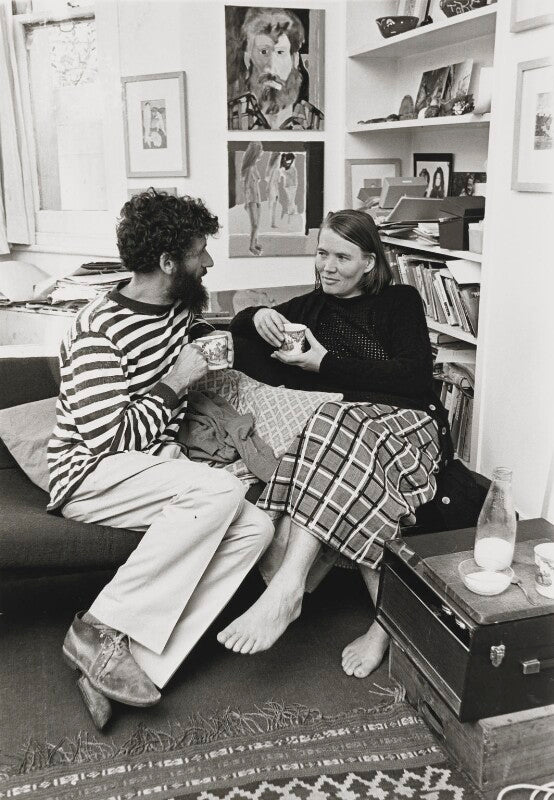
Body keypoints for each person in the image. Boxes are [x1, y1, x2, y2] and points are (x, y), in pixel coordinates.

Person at [50, 189, 273, 728]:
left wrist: (262, 321)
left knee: (257, 529)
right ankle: (96, 628)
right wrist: (175, 383)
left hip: (153, 469)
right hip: (90, 475)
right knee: (221, 488)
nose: (209, 261)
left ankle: (125, 665)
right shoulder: (97, 330)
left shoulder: (177, 309)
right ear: (169, 262)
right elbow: (108, 441)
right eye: (199, 252)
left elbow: (204, 334)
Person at [218, 209, 453, 679]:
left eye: (342, 257)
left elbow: (414, 378)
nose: (327, 266)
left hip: (413, 423)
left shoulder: (400, 301)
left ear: (369, 262)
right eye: (322, 253)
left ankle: (288, 589)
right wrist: (258, 314)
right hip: (350, 434)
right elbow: (237, 327)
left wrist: (324, 365)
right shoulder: (311, 307)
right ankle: (381, 622)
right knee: (337, 429)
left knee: (333, 422)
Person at [228, 7, 323, 130]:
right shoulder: (227, 118)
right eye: (263, 51)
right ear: (248, 59)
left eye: (280, 52)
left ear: (295, 60)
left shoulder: (317, 123)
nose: (272, 68)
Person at [241, 141, 264, 255]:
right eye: (260, 150)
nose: (262, 152)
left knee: (257, 223)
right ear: (255, 153)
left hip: (257, 198)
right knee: (254, 224)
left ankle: (255, 243)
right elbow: (246, 187)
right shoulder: (249, 169)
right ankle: (251, 246)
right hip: (252, 200)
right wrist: (246, 202)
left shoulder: (254, 166)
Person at [280, 152, 298, 224]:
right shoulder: (289, 167)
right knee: (290, 199)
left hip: (291, 185)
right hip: (289, 186)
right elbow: (290, 177)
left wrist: (285, 172)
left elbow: (292, 177)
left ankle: (291, 212)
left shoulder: (291, 168)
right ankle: (291, 212)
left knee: (291, 199)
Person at [266, 151, 282, 228]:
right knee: (273, 206)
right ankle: (272, 223)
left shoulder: (273, 169)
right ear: (275, 160)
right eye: (279, 159)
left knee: (273, 206)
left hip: (274, 188)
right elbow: (272, 181)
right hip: (273, 189)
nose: (279, 160)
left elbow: (272, 181)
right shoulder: (275, 170)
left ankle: (272, 223)